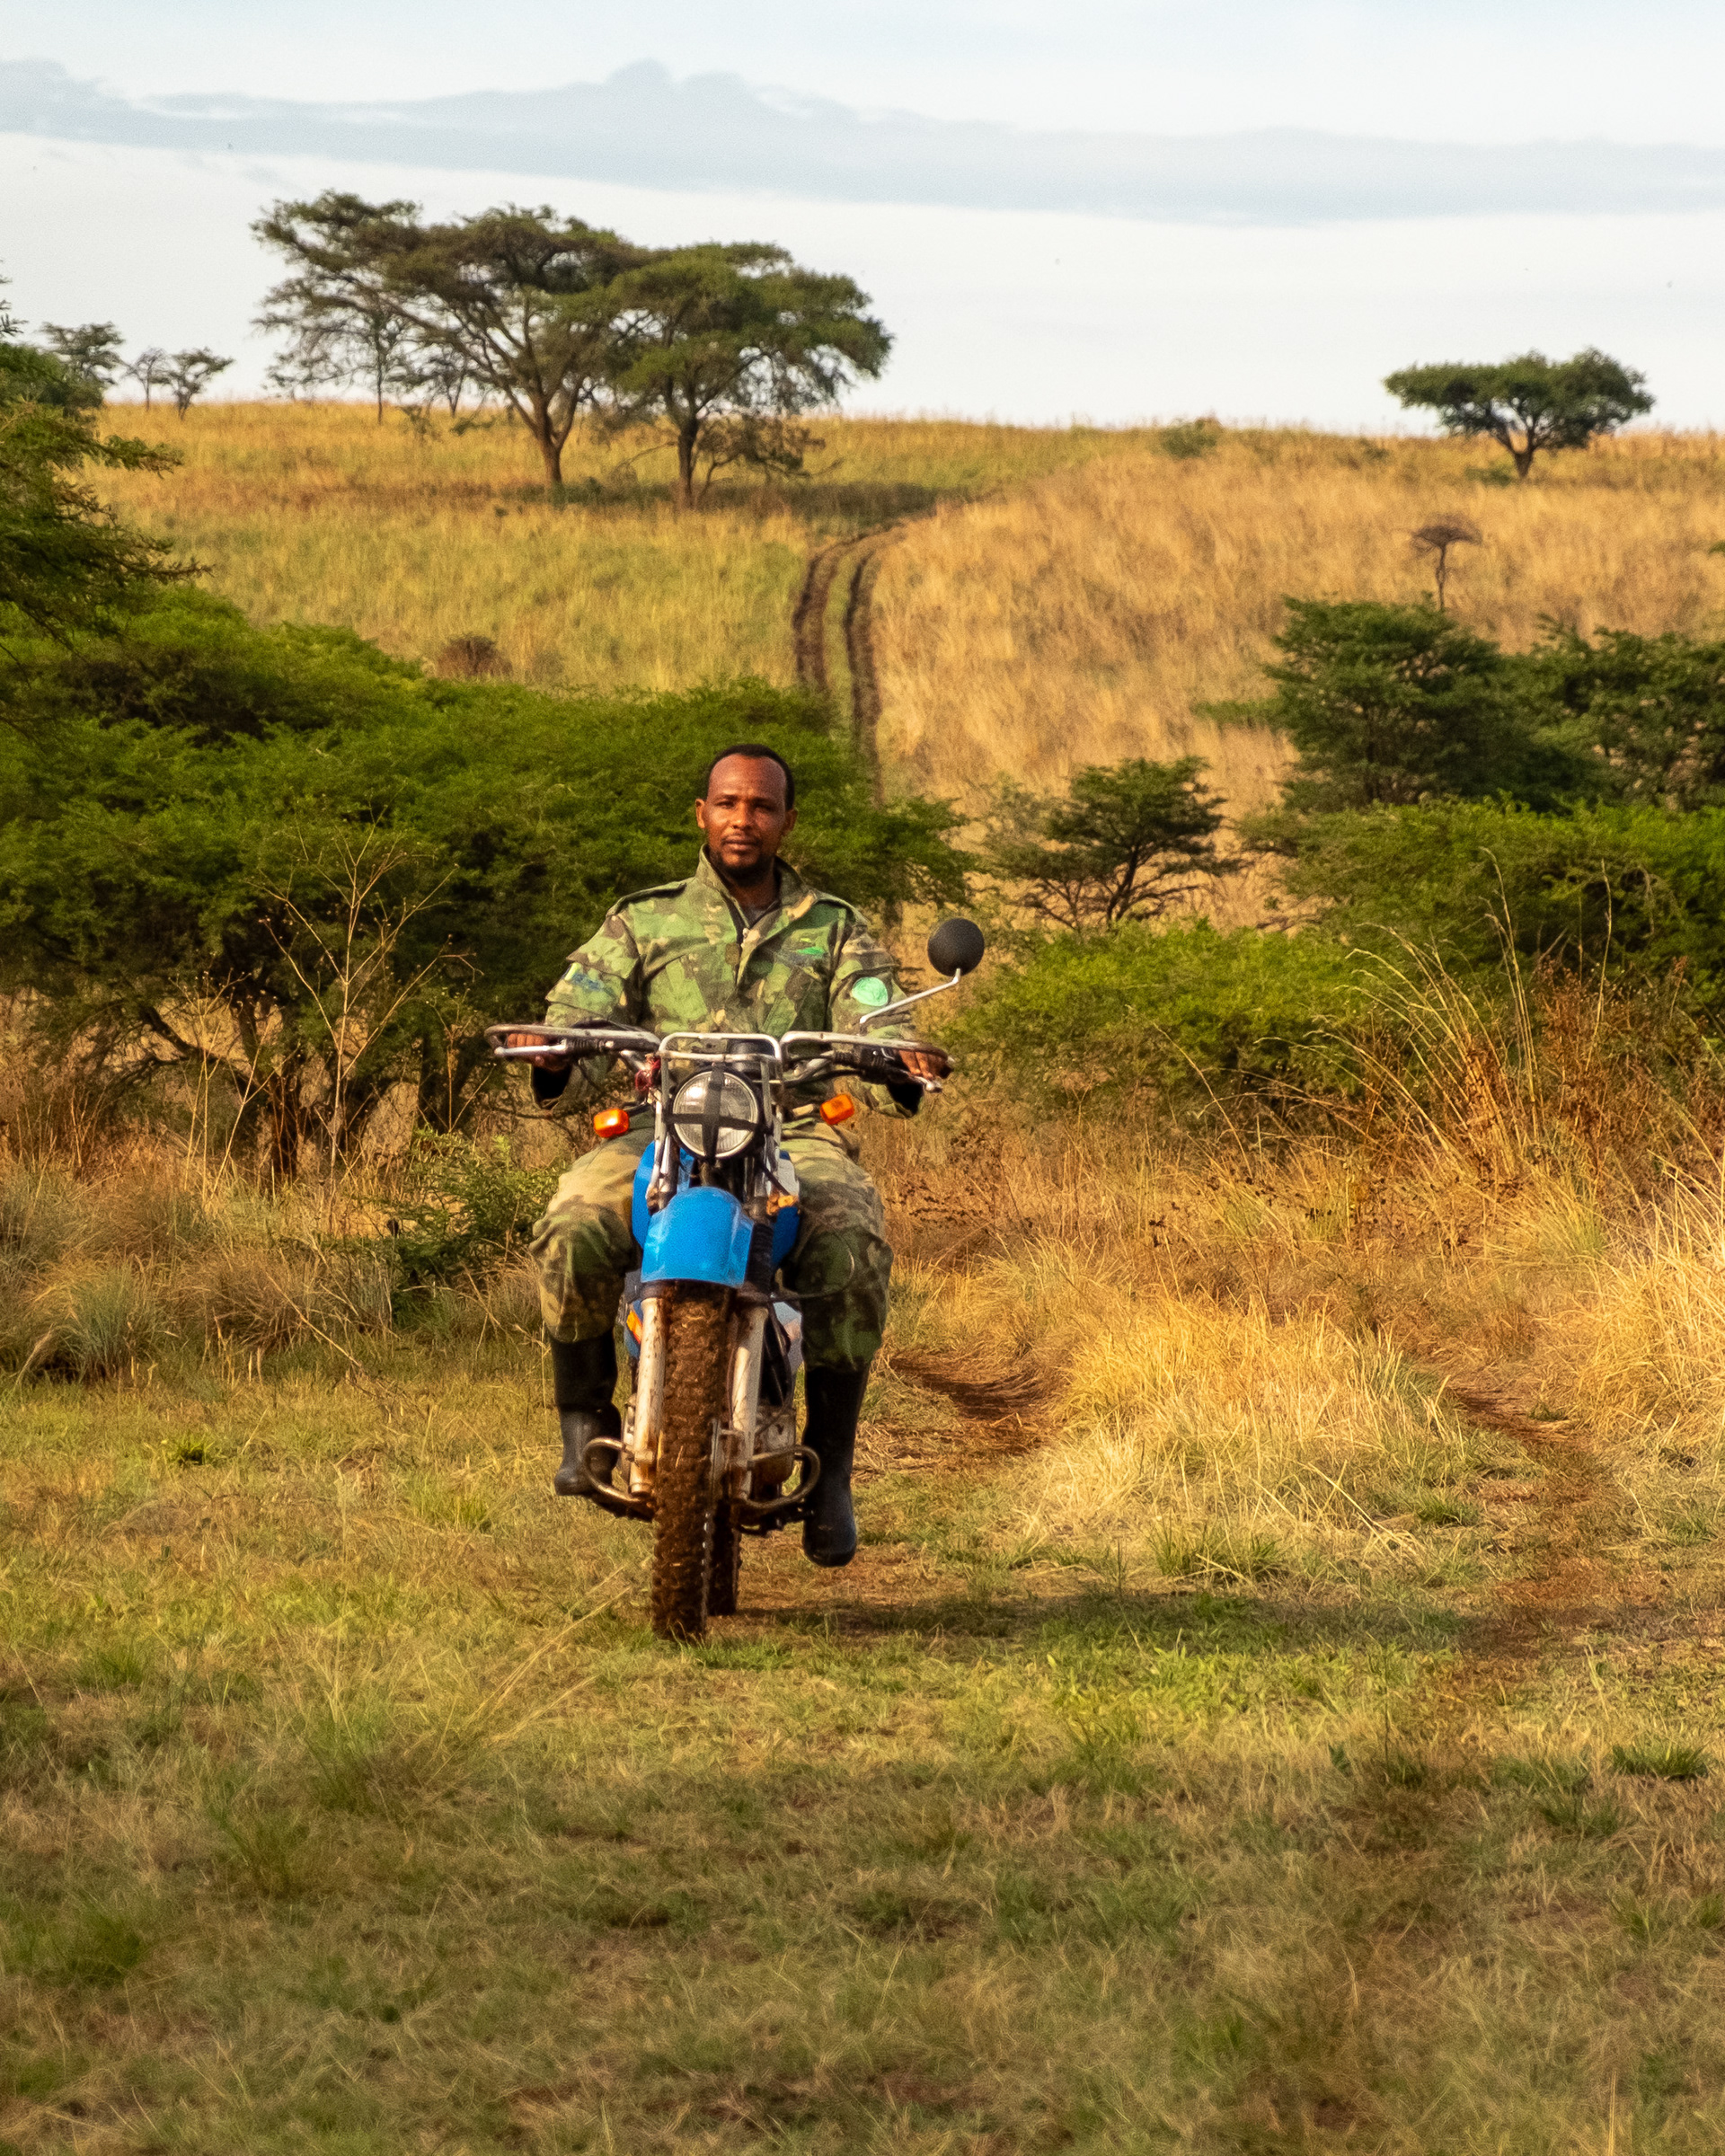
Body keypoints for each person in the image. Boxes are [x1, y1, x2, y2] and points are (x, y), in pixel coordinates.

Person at [509, 743, 947, 1568]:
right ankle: (582, 1423)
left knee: (852, 1243)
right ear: (702, 814)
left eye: (762, 807)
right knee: (571, 1222)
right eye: (729, 804)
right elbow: (578, 1002)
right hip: (660, 1119)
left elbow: (875, 1012)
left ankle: (835, 1472)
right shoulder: (646, 918)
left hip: (794, 1126)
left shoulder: (834, 925)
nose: (744, 820)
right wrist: (554, 1042)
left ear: (786, 820)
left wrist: (898, 1052)